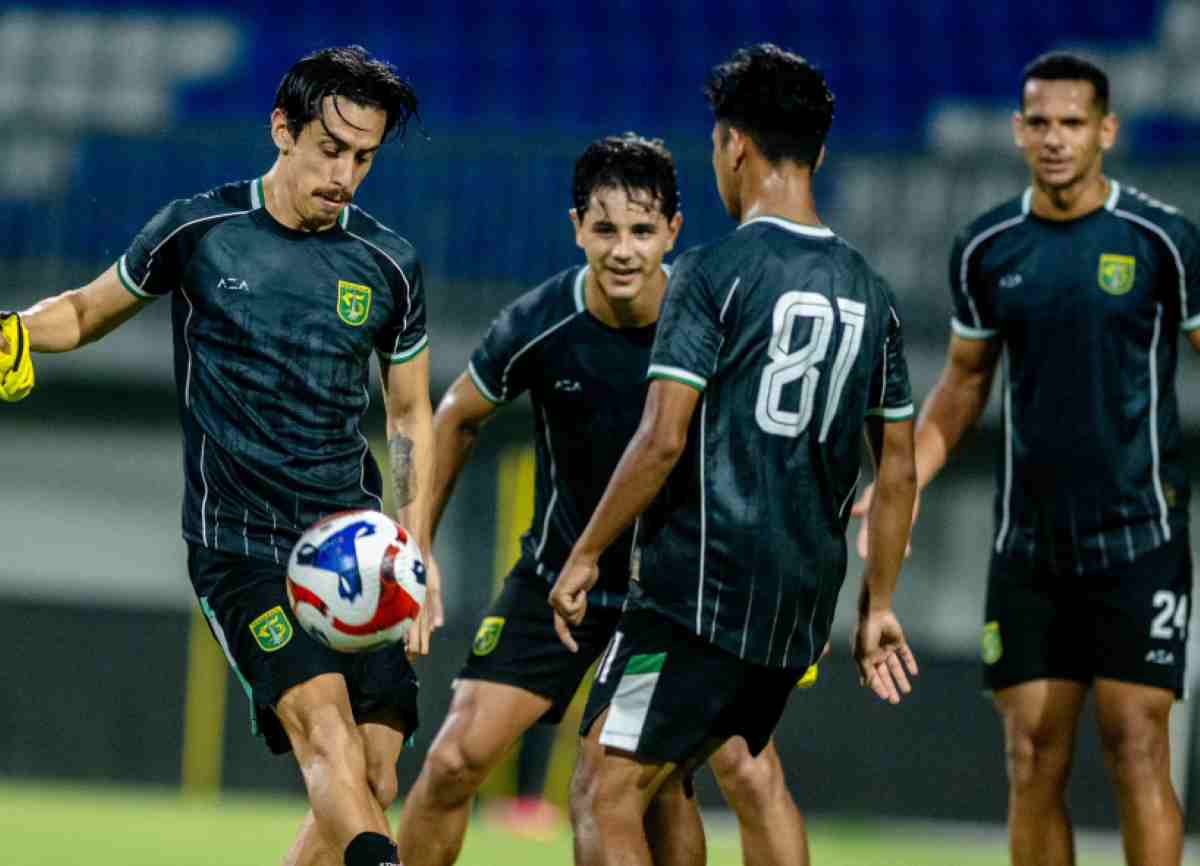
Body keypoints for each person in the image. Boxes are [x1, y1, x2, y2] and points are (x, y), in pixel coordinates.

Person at [0, 46, 442, 866]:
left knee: (374, 777)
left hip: (355, 549)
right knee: (326, 736)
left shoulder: (389, 264)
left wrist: (414, 546)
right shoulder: (198, 231)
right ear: (282, 129)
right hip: (240, 548)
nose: (346, 174)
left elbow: (410, 410)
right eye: (331, 149)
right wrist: (14, 332)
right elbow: (86, 312)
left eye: (364, 158)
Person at [395, 133, 815, 866]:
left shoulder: (718, 320)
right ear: (576, 228)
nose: (624, 250)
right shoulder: (540, 322)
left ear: (674, 233)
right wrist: (417, 544)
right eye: (606, 229)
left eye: (643, 230)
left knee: (724, 777)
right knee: (452, 762)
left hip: (681, 597)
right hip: (557, 581)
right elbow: (455, 414)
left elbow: (786, 436)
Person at [549, 45, 920, 866]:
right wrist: (879, 603)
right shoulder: (872, 292)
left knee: (603, 790)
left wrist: (584, 554)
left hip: (695, 597)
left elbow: (662, 437)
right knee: (713, 774)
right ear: (818, 152)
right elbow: (898, 466)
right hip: (798, 610)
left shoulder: (712, 275)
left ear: (733, 146)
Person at [855, 51, 1200, 866]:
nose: (1054, 138)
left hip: (1140, 537)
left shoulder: (1162, 240)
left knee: (1136, 742)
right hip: (1029, 549)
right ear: (1017, 131)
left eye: (1072, 123)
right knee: (1030, 757)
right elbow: (964, 386)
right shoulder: (987, 248)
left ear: (1106, 131)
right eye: (1039, 122)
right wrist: (908, 477)